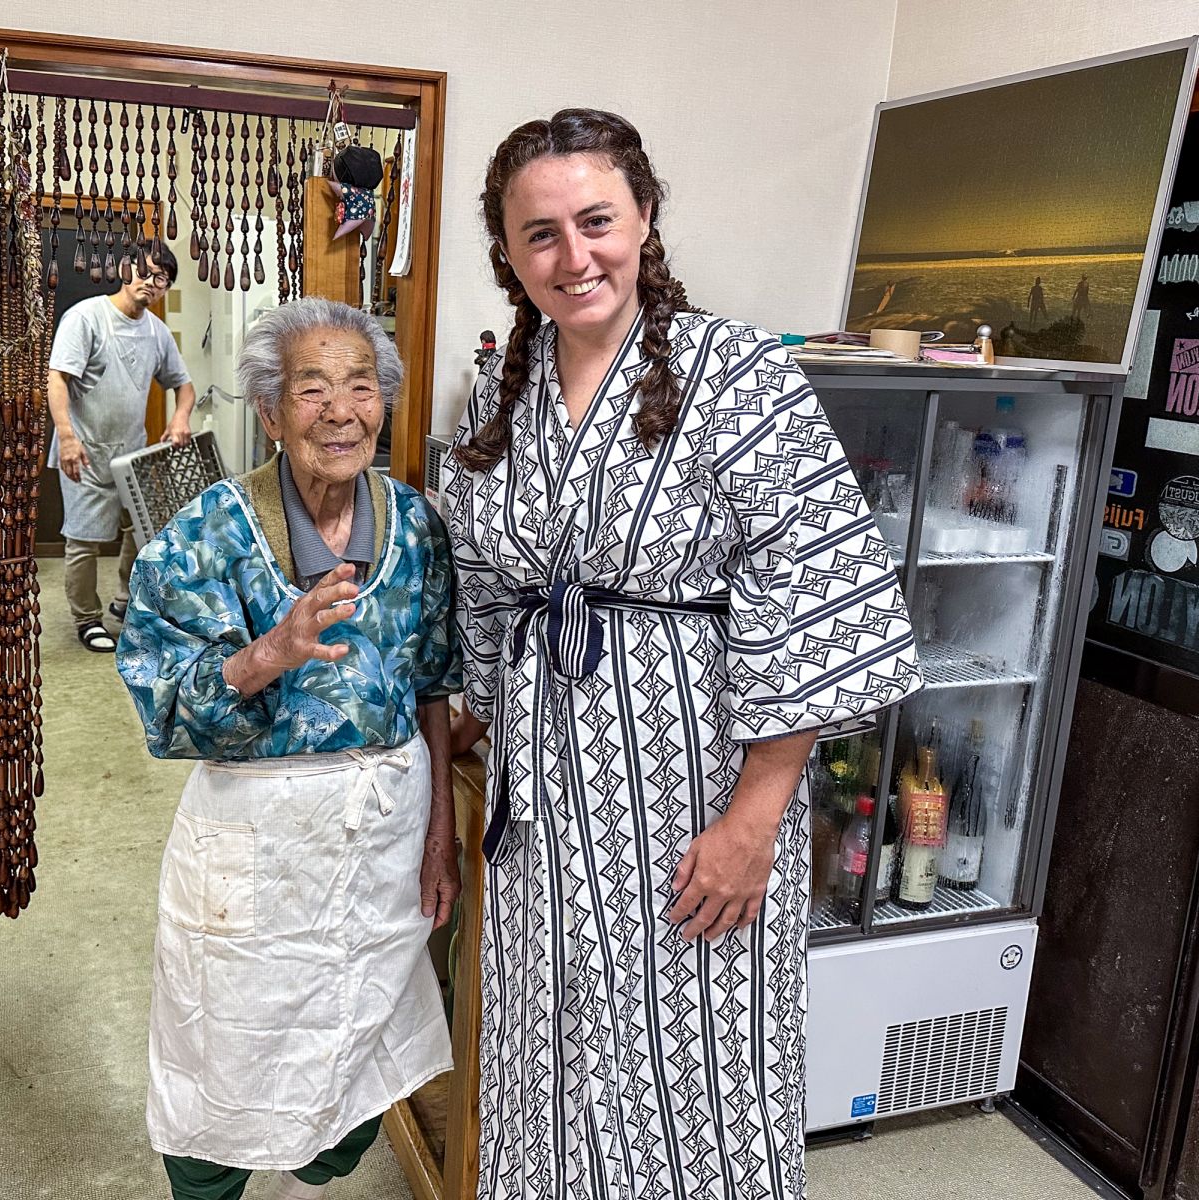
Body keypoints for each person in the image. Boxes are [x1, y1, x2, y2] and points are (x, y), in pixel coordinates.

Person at [441, 109, 923, 1200]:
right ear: (508, 256)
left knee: (693, 1068)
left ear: (644, 217)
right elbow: (480, 582)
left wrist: (756, 821)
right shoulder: (499, 395)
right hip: (546, 807)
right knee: (548, 1057)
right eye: (541, 236)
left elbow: (815, 590)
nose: (575, 257)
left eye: (597, 221)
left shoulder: (740, 373)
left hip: (692, 799)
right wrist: (462, 739)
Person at [116, 297, 462, 1200]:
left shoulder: (418, 527)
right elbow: (163, 708)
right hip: (256, 840)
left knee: (362, 1046)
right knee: (220, 1054)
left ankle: (320, 1149)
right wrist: (269, 653)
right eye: (312, 389)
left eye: (361, 386)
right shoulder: (202, 537)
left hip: (385, 832)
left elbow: (431, 684)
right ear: (270, 413)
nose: (340, 410)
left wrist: (441, 838)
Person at [48, 244, 197, 652]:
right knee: (82, 540)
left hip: (132, 454)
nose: (151, 282)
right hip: (83, 448)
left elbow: (184, 386)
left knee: (143, 531)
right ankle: (86, 618)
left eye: (161, 278)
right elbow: (58, 378)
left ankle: (124, 600)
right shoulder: (86, 317)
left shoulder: (156, 331)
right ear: (124, 269)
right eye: (145, 272)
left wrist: (181, 417)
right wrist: (66, 437)